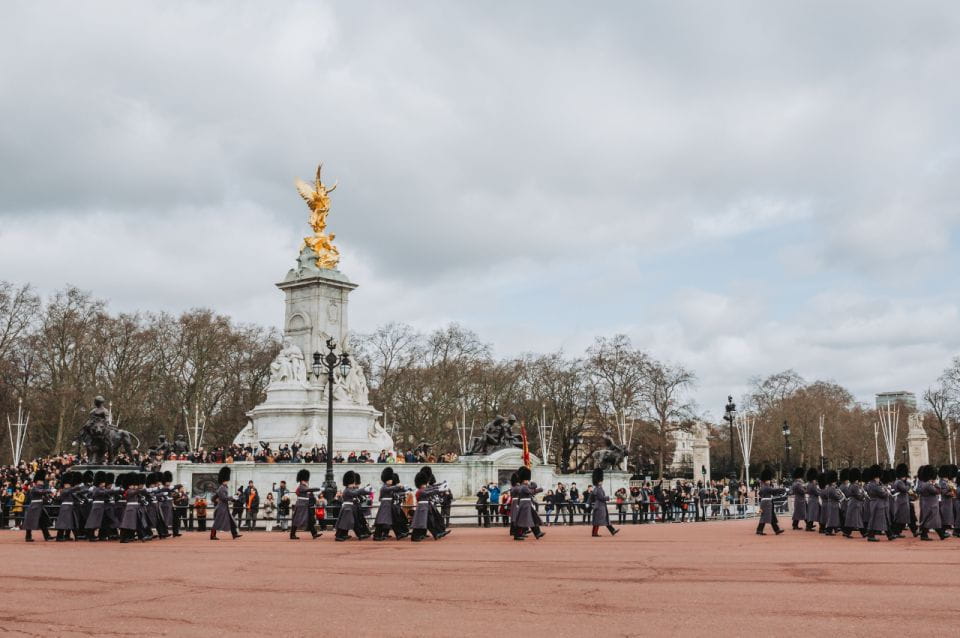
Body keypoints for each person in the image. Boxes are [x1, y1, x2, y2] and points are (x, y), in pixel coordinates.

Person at [373, 467, 408, 540]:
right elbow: (391, 489)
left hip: (390, 505)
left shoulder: (389, 487)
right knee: (381, 521)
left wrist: (404, 491)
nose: (391, 481)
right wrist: (398, 486)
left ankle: (398, 534)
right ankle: (376, 536)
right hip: (385, 505)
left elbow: (394, 492)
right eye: (390, 480)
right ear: (386, 480)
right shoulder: (384, 487)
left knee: (394, 520)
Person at [512, 466, 545, 541]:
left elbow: (533, 487)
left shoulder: (524, 486)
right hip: (525, 505)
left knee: (533, 518)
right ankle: (517, 535)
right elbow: (531, 492)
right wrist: (541, 489)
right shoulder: (523, 487)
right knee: (522, 520)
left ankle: (537, 533)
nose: (528, 481)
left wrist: (532, 482)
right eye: (527, 480)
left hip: (527, 504)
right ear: (524, 480)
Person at [335, 470, 368, 541]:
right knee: (344, 522)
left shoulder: (350, 489)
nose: (354, 484)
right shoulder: (347, 490)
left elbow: (356, 492)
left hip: (350, 508)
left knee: (354, 522)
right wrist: (363, 489)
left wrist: (365, 491)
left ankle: (359, 534)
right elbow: (355, 493)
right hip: (347, 508)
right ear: (348, 483)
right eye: (352, 483)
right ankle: (339, 536)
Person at [289, 469, 322, 540]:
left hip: (305, 505)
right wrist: (319, 488)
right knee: (297, 520)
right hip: (301, 505)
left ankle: (314, 533)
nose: (306, 481)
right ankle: (292, 534)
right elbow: (309, 490)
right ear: (302, 480)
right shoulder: (301, 486)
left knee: (309, 519)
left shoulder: (304, 486)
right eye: (305, 480)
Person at [211, 466, 241, 540]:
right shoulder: (221, 488)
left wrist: (233, 497)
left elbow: (220, 497)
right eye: (226, 480)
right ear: (223, 480)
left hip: (224, 507)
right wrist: (232, 497)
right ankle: (212, 535)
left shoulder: (224, 487)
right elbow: (224, 498)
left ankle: (234, 534)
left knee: (231, 521)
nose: (228, 481)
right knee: (217, 522)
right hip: (221, 508)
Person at [23, 469, 53, 542]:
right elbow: (40, 491)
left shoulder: (40, 487)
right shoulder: (35, 488)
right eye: (41, 481)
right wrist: (49, 490)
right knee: (30, 522)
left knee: (43, 522)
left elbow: (43, 493)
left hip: (39, 506)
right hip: (34, 506)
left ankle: (47, 536)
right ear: (37, 481)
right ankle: (28, 537)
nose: (42, 482)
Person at [917, 464, 946, 541]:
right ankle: (940, 534)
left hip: (928, 504)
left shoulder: (924, 484)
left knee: (931, 520)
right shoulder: (928, 485)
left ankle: (941, 534)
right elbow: (937, 491)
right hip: (931, 505)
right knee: (931, 520)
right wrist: (936, 484)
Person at [54, 471, 84, 542]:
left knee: (73, 522)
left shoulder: (69, 490)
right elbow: (70, 490)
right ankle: (59, 537)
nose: (69, 485)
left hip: (70, 508)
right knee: (63, 523)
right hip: (65, 508)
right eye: (68, 484)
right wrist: (78, 486)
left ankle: (75, 536)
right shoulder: (63, 490)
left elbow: (75, 493)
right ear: (65, 484)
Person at [755, 467, 785, 535]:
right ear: (766, 480)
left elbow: (763, 493)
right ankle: (759, 530)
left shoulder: (763, 487)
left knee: (771, 516)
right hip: (767, 503)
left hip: (766, 502)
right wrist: (782, 489)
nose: (770, 481)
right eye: (769, 480)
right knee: (765, 516)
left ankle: (776, 530)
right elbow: (773, 490)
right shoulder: (766, 487)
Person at [589, 468, 618, 537]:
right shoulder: (598, 489)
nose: (602, 482)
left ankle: (612, 530)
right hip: (600, 506)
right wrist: (608, 497)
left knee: (604, 519)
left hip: (600, 506)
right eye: (601, 481)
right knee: (599, 520)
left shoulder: (598, 488)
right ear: (598, 481)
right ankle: (594, 533)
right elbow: (601, 498)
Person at [890, 464, 916, 538]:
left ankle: (898, 532)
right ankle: (896, 532)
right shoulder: (899, 482)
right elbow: (905, 489)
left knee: (903, 518)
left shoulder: (900, 481)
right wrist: (909, 486)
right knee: (900, 518)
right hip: (901, 502)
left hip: (903, 502)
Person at [804, 468, 820, 532]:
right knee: (812, 514)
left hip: (810, 499)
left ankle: (809, 526)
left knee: (811, 513)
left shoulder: (808, 484)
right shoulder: (813, 485)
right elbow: (816, 492)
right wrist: (821, 492)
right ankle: (808, 527)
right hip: (814, 500)